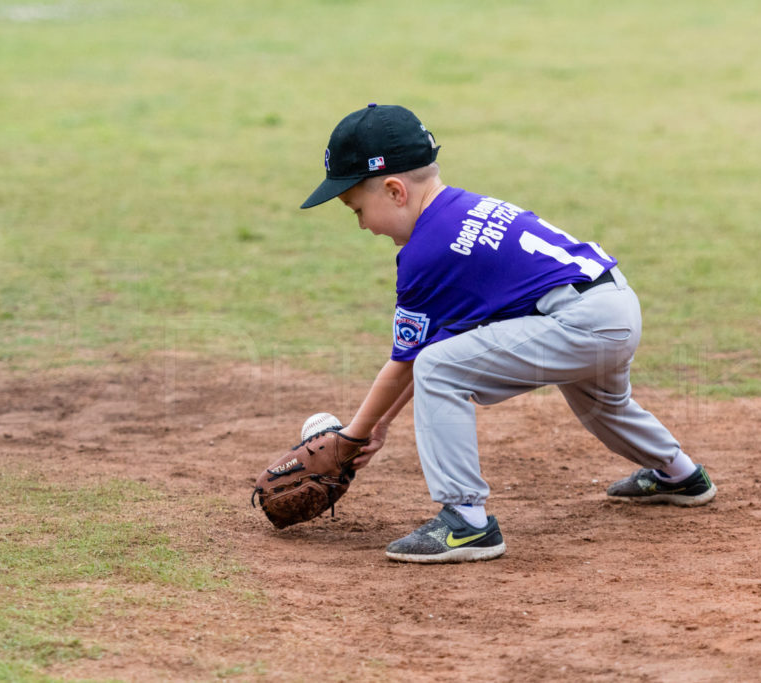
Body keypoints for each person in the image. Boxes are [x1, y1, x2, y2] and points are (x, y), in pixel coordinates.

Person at [299, 104, 716, 564]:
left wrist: (354, 437)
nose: (361, 224)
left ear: (395, 191)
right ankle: (680, 475)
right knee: (603, 405)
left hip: (580, 323)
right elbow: (429, 346)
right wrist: (378, 427)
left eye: (358, 208)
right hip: (610, 306)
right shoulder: (462, 209)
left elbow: (409, 362)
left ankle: (467, 521)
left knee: (438, 367)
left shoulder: (427, 252)